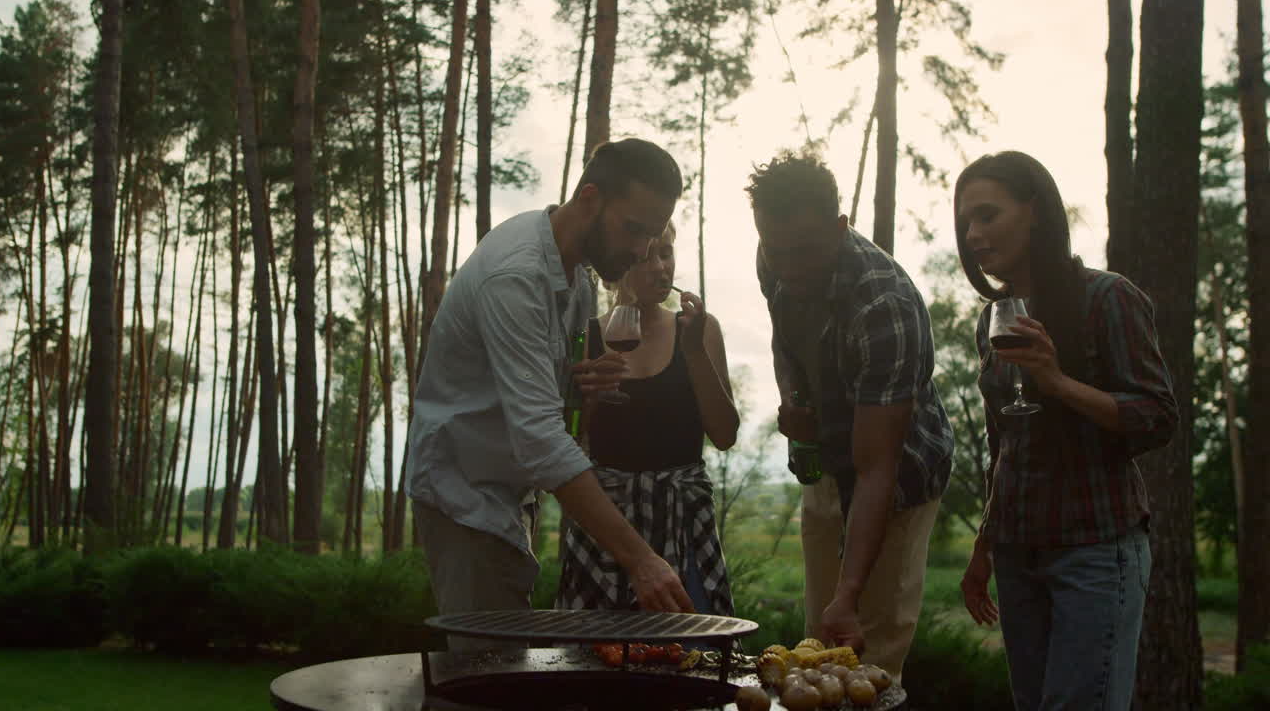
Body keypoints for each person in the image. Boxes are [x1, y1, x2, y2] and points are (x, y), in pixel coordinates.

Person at [404, 138, 695, 651]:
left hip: (509, 493)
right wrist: (641, 559)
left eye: (651, 236)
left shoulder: (577, 281)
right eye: (634, 229)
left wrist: (582, 391)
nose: (640, 252)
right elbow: (539, 439)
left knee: (505, 668)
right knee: (487, 679)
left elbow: (556, 414)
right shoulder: (516, 276)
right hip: (464, 494)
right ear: (589, 200)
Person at [953, 151, 1178, 711]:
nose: (974, 235)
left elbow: (1157, 416)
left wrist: (1056, 382)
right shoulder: (994, 319)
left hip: (1095, 552)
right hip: (1018, 553)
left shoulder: (1108, 298)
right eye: (966, 223)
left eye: (987, 215)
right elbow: (1004, 445)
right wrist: (984, 549)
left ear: (1033, 211)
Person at [747, 151, 954, 682]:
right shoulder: (773, 257)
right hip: (828, 463)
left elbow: (877, 470)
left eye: (806, 252)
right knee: (819, 647)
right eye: (777, 252)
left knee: (869, 656)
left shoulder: (884, 305)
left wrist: (849, 593)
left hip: (895, 477)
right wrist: (794, 397)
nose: (790, 271)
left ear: (841, 227)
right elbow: (785, 339)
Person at [556, 222, 740, 615]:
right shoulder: (586, 337)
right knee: (595, 658)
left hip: (685, 521)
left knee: (692, 656)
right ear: (620, 264)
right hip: (608, 524)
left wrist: (693, 353)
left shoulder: (699, 332)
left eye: (667, 253)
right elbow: (566, 442)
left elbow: (724, 434)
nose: (661, 267)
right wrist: (589, 399)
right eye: (647, 257)